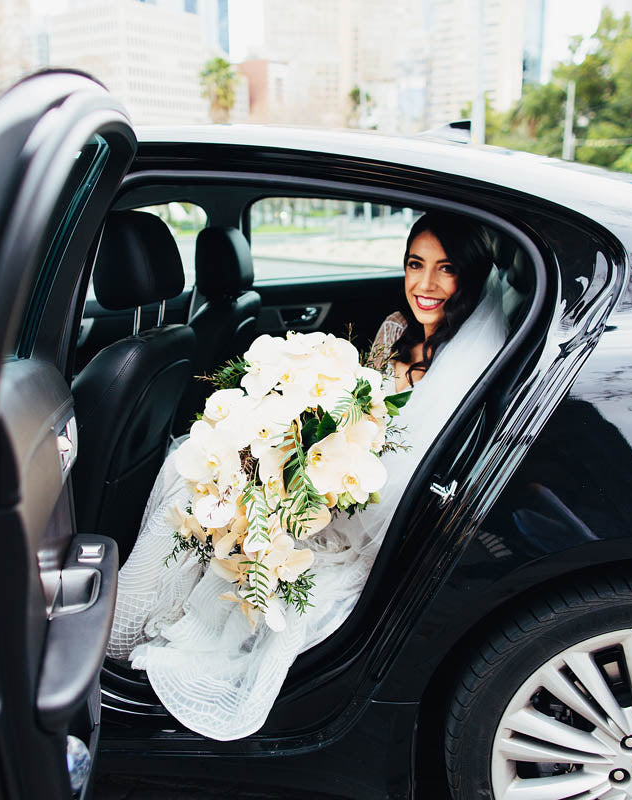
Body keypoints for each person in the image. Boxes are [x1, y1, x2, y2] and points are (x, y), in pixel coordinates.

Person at [107, 212, 509, 740]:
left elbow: (394, 471)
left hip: (361, 510)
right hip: (325, 479)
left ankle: (121, 631)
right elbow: (348, 411)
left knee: (218, 499)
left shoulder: (467, 368)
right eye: (415, 264)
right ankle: (123, 620)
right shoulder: (394, 330)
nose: (425, 285)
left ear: (472, 277)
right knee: (198, 475)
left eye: (446, 269)